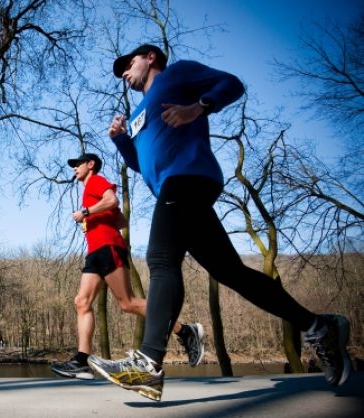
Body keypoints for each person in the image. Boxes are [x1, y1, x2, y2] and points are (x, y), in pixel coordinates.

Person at [86, 44, 352, 401]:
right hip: (172, 186)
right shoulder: (137, 114)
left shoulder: (177, 74)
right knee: (231, 272)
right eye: (119, 71)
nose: (123, 72)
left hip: (188, 178)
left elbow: (231, 84)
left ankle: (148, 364)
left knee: (162, 259)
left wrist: (199, 107)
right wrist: (121, 141)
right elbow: (140, 163)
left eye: (128, 63)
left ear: (150, 57)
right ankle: (319, 326)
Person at [50, 153, 205, 380]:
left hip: (108, 248)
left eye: (78, 164)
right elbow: (121, 220)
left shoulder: (96, 180)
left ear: (90, 165)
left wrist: (86, 213)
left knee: (128, 303)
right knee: (81, 302)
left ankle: (186, 331)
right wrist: (96, 219)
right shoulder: (89, 189)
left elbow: (112, 201)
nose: (74, 168)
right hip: (95, 251)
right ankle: (82, 361)